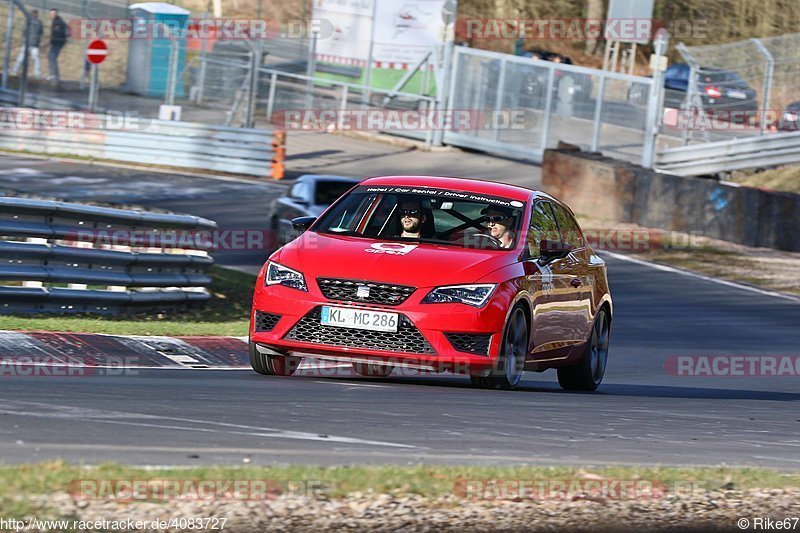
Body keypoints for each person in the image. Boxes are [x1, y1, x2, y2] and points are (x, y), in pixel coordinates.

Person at [11, 10, 43, 78]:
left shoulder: (28, 21)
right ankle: (37, 74)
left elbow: (24, 30)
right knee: (36, 59)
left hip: (28, 43)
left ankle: (14, 70)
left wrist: (24, 38)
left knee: (21, 57)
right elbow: (41, 32)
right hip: (35, 44)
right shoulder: (39, 22)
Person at [47, 9, 69, 82]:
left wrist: (55, 38)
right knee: (51, 56)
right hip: (57, 42)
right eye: (51, 14)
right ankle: (54, 74)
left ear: (56, 14)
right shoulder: (57, 20)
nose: (52, 15)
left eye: (53, 13)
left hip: (57, 42)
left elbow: (59, 32)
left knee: (52, 56)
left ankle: (53, 75)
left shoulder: (58, 22)